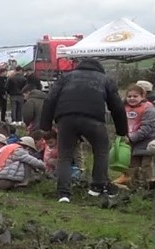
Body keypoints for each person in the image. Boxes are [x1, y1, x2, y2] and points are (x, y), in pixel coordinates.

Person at [39, 58, 126, 202]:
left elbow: (50, 99)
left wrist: (45, 125)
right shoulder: (105, 79)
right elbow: (117, 106)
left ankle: (63, 193)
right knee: (101, 151)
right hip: (94, 119)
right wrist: (122, 131)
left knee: (65, 156)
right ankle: (97, 187)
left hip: (66, 119)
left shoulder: (66, 77)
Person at [116, 84, 154, 190]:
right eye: (129, 96)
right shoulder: (124, 108)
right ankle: (134, 185)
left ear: (143, 96)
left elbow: (147, 128)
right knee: (133, 165)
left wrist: (132, 137)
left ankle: (149, 185)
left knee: (146, 165)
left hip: (146, 142)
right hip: (131, 142)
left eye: (135, 96)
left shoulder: (148, 109)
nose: (132, 99)